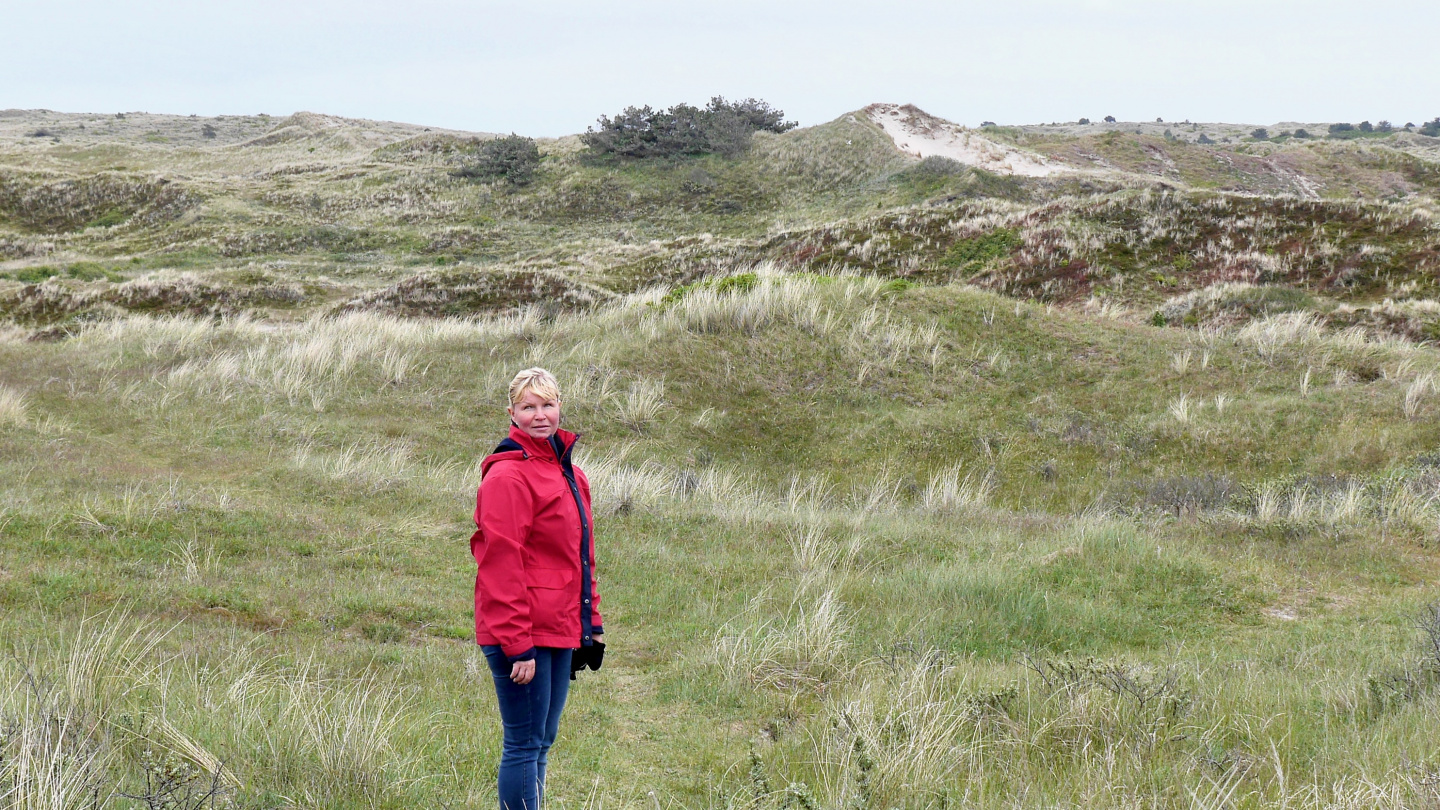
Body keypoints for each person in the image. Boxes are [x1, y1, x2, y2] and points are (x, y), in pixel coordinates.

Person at [471, 367, 604, 809]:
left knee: (542, 741)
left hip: (558, 626)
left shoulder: (570, 473)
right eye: (529, 407)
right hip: (521, 633)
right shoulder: (508, 477)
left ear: (560, 405)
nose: (541, 415)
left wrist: (591, 625)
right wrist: (517, 645)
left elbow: (579, 556)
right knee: (524, 744)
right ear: (512, 413)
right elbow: (500, 564)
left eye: (548, 404)